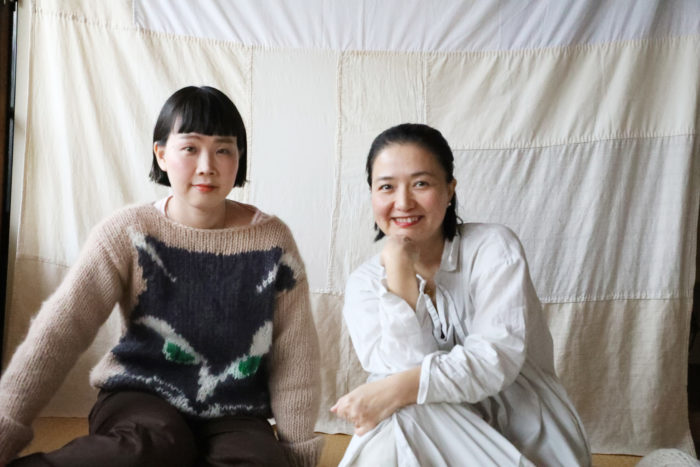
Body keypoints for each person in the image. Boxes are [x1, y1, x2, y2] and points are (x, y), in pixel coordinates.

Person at [0, 86, 323, 466]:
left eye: (223, 150)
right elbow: (60, 329)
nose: (207, 165)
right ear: (162, 154)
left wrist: (296, 452)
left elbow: (295, 355)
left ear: (240, 158)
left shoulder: (273, 242)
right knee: (154, 446)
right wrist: (5, 428)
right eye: (190, 148)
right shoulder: (128, 232)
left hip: (235, 410)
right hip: (139, 397)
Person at [331, 123, 591, 466]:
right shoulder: (364, 283)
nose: (403, 202)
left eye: (421, 183)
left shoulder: (493, 247)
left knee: (396, 408)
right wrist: (399, 272)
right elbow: (400, 371)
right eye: (386, 187)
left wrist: (393, 391)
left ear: (450, 189)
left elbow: (494, 361)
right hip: (428, 435)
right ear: (372, 195)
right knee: (400, 409)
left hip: (528, 437)